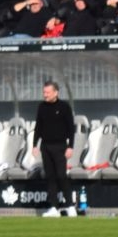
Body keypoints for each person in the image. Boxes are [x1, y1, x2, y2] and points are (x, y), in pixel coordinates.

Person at [33, 81, 77, 216]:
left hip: (60, 146)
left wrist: (70, 147)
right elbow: (38, 127)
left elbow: (71, 128)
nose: (45, 95)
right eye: (44, 92)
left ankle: (70, 206)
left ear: (55, 92)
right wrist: (35, 145)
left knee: (61, 176)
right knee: (50, 177)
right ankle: (54, 208)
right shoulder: (41, 107)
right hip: (45, 146)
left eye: (47, 92)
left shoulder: (64, 107)